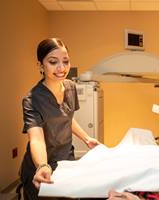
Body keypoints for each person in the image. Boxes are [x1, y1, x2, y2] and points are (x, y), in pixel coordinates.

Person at [19, 38, 100, 200]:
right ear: (41, 65)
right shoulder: (32, 99)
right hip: (42, 165)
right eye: (53, 62)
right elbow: (36, 139)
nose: (61, 68)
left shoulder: (70, 87)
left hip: (65, 161)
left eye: (65, 61)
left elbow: (67, 117)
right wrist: (42, 165)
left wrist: (86, 138)